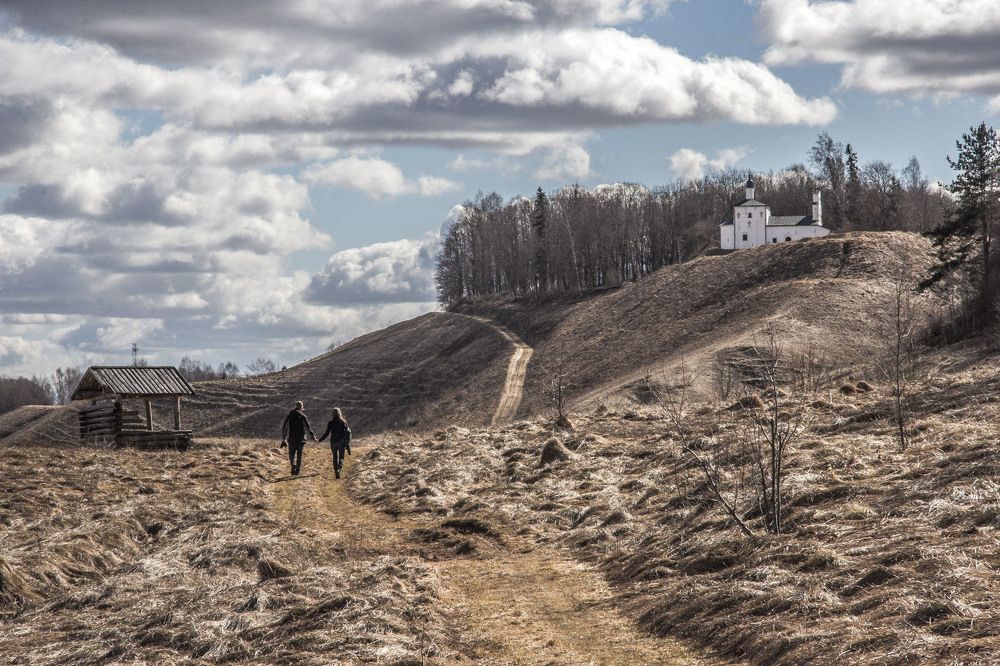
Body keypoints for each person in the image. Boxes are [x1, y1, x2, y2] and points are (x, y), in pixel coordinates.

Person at [280, 401, 316, 476]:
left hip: (292, 438)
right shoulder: (303, 416)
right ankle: (298, 470)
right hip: (301, 439)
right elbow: (308, 428)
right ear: (301, 407)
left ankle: (293, 464)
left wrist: (284, 438)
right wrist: (313, 438)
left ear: (296, 406)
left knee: (291, 454)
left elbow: (285, 427)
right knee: (299, 455)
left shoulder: (290, 415)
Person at [318, 407, 351, 479]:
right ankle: (339, 469)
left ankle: (336, 471)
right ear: (340, 413)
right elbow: (347, 433)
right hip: (341, 442)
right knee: (341, 457)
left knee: (335, 457)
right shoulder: (343, 422)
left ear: (332, 414)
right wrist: (347, 443)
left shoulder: (331, 423)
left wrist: (320, 440)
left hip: (333, 442)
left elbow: (326, 433)